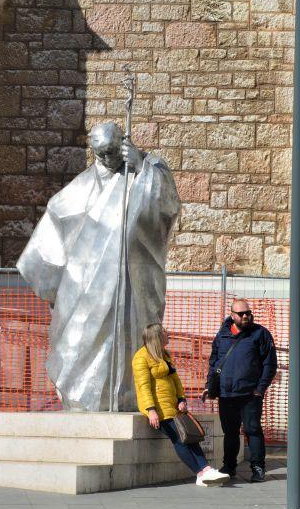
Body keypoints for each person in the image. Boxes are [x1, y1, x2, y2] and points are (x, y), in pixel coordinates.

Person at [17, 121, 180, 411]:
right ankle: (83, 396)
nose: (107, 159)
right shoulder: (81, 186)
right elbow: (57, 215)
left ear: (123, 143)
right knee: (80, 342)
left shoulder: (147, 168)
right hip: (85, 287)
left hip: (131, 280)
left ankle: (125, 398)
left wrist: (141, 166)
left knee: (124, 338)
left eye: (112, 151)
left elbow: (166, 206)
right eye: (100, 153)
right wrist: (53, 281)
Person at [133, 324, 230, 487]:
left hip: (171, 405)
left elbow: (175, 380)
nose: (168, 333)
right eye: (164, 332)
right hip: (159, 408)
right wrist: (151, 410)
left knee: (189, 437)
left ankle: (205, 472)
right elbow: (143, 386)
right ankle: (202, 472)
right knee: (179, 439)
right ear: (157, 336)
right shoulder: (141, 357)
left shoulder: (163, 355)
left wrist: (181, 399)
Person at [205, 299, 277, 482]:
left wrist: (260, 389)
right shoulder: (222, 335)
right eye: (241, 313)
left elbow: (270, 364)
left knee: (253, 430)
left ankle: (258, 468)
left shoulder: (260, 334)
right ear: (232, 315)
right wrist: (210, 386)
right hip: (227, 394)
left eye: (248, 313)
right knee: (230, 432)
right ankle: (229, 467)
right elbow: (214, 363)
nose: (246, 316)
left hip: (250, 394)